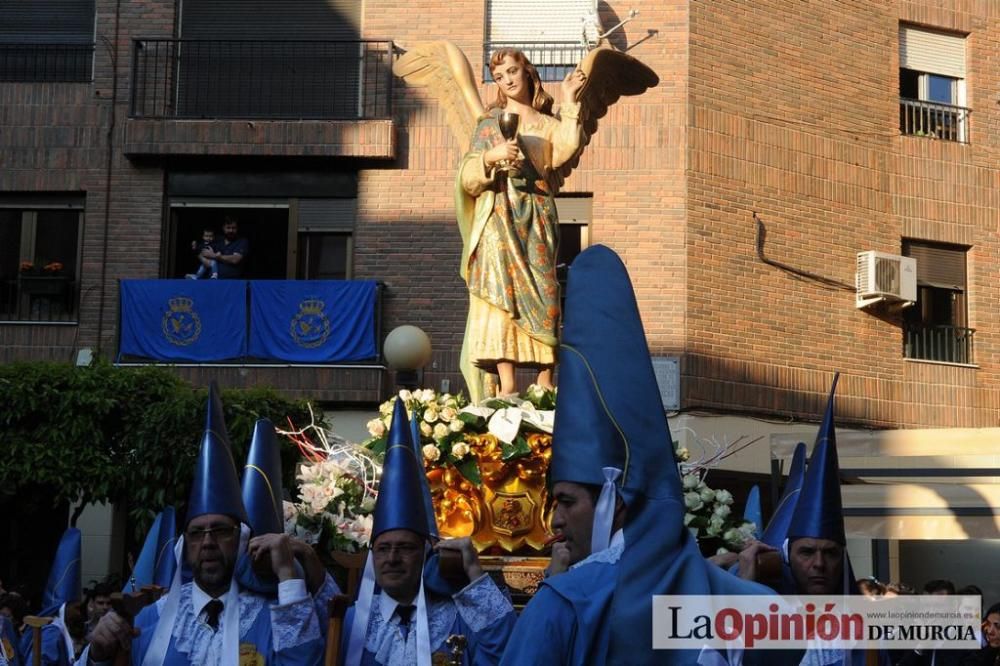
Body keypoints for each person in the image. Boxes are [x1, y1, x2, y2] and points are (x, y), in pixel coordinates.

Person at [499, 245, 777, 665]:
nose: (555, 519)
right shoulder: (756, 610)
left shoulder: (561, 606)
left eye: (568, 501)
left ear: (618, 502)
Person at [82, 384, 323, 666]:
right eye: (196, 533)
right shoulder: (150, 618)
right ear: (184, 545)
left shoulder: (277, 617)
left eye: (221, 530)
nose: (207, 542)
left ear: (242, 540)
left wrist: (289, 575)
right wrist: (97, 655)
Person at [343, 398, 515, 664]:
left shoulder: (461, 616)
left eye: (406, 548)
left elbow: (508, 652)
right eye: (383, 548)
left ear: (427, 552)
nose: (392, 558)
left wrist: (474, 574)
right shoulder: (354, 621)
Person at [455, 49, 586, 399]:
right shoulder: (489, 124)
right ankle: (507, 382)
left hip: (537, 213)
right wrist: (491, 157)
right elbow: (467, 177)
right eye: (499, 77)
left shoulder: (546, 124)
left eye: (513, 71)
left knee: (546, 292)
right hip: (499, 216)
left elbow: (565, 149)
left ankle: (545, 382)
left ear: (527, 72)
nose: (508, 80)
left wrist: (570, 100)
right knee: (501, 291)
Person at [20, 527, 83, 666]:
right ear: (64, 608)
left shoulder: (63, 632)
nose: (80, 613)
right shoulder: (52, 635)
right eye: (77, 608)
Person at [199, 215, 248, 280]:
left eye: (234, 228)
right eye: (228, 228)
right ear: (223, 228)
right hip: (210, 282)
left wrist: (215, 256)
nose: (231, 230)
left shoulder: (242, 241)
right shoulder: (215, 239)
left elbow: (235, 259)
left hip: (232, 283)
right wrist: (203, 259)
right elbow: (202, 251)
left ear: (237, 228)